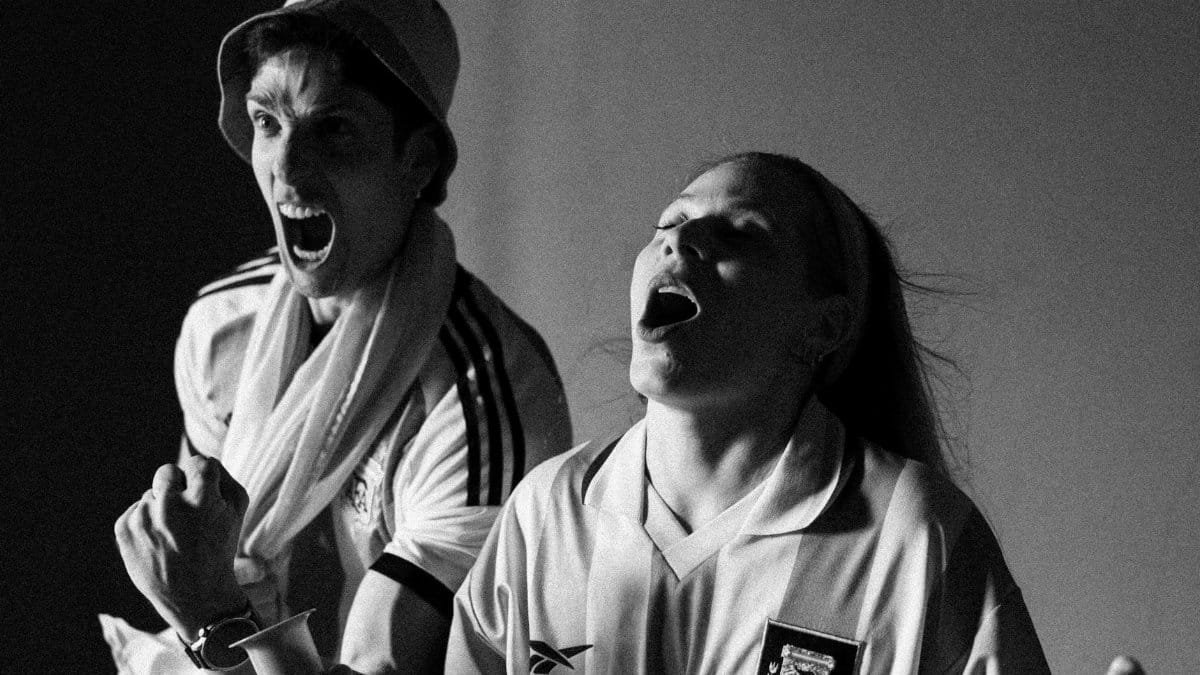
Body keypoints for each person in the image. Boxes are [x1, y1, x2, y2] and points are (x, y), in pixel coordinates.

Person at [100, 1, 571, 672]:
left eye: (336, 130)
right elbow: (203, 551)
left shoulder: (483, 404)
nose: (287, 172)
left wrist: (211, 616)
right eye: (268, 123)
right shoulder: (221, 327)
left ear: (417, 160)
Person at [446, 152, 1052, 673]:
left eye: (738, 232)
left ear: (824, 324)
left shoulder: (917, 533)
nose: (678, 240)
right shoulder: (544, 514)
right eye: (670, 221)